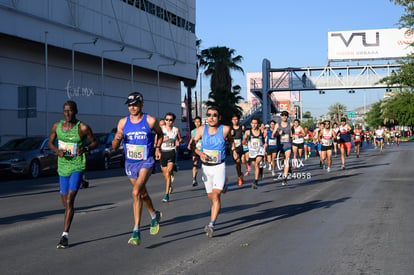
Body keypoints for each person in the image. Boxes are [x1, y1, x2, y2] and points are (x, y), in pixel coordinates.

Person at [112, 92, 163, 246]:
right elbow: (114, 147)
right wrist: (117, 139)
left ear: (142, 104)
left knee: (135, 192)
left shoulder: (150, 120)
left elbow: (160, 135)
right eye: (130, 104)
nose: (132, 107)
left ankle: (136, 231)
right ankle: (154, 215)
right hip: (130, 163)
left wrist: (158, 148)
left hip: (146, 161)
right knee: (142, 193)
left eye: (135, 104)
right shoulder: (122, 123)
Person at [48, 100, 98, 249]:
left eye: (70, 110)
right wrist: (57, 151)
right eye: (65, 111)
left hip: (77, 166)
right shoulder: (57, 126)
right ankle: (70, 212)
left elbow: (95, 142)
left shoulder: (82, 128)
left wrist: (85, 149)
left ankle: (65, 236)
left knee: (70, 201)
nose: (67, 113)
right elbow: (50, 143)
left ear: (75, 111)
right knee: (65, 203)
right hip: (62, 167)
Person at [192, 106, 235, 238]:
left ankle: (211, 224)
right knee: (211, 197)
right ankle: (224, 184)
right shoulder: (201, 130)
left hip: (219, 166)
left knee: (216, 196)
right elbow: (192, 145)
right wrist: (199, 153)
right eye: (209, 114)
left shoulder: (225, 129)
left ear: (219, 117)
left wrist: (233, 150)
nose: (211, 117)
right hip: (205, 168)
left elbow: (231, 141)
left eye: (214, 115)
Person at [160, 112, 182, 202]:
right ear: (165, 120)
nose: (168, 121)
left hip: (171, 152)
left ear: (173, 121)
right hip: (163, 153)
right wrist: (161, 140)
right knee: (165, 174)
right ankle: (169, 186)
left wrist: (178, 142)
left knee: (168, 173)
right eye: (167, 120)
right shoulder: (161, 129)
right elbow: (155, 141)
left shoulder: (175, 130)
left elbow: (180, 139)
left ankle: (166, 195)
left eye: (170, 120)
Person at [243, 117, 266, 189]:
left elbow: (264, 139)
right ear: (251, 124)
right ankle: (260, 169)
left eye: (255, 123)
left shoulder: (261, 131)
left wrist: (264, 131)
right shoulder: (248, 132)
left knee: (257, 163)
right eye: (253, 123)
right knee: (255, 165)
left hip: (260, 150)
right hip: (252, 151)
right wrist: (244, 141)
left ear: (258, 124)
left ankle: (255, 181)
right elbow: (244, 140)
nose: (254, 125)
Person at [273, 111, 291, 185]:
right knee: (282, 160)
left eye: (285, 115)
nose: (284, 117)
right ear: (281, 117)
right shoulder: (278, 125)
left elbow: (292, 134)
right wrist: (278, 133)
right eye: (283, 115)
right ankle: (288, 168)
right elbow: (273, 135)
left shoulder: (290, 125)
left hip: (288, 145)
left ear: (287, 117)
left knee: (287, 159)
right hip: (280, 145)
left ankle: (284, 178)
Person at [188, 116, 202, 187]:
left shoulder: (203, 130)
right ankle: (194, 179)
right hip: (195, 149)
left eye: (198, 122)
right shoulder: (193, 131)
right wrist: (189, 144)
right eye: (196, 122)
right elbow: (192, 138)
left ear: (201, 122)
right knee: (195, 163)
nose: (197, 123)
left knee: (205, 163)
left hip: (202, 149)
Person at [230, 114, 244, 186]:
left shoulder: (242, 128)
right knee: (236, 163)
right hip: (232, 147)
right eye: (233, 119)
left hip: (240, 147)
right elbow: (226, 138)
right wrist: (230, 135)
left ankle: (239, 177)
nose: (235, 121)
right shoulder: (230, 129)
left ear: (238, 120)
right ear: (231, 121)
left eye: (236, 119)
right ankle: (240, 174)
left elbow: (245, 136)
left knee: (238, 161)